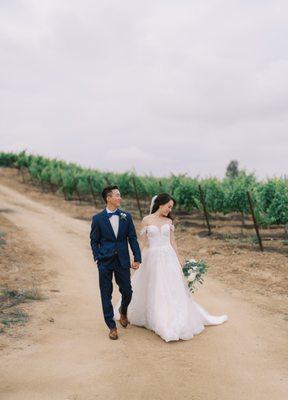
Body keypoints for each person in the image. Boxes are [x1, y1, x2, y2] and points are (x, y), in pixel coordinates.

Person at [114, 193, 228, 342]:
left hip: (168, 257)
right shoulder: (146, 220)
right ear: (160, 204)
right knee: (154, 287)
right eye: (169, 206)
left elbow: (173, 242)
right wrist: (136, 258)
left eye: (171, 207)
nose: (169, 209)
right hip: (153, 258)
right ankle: (155, 317)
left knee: (172, 288)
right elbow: (142, 242)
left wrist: (180, 260)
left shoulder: (169, 221)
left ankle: (170, 318)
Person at [90, 185, 142, 340]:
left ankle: (123, 310)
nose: (120, 198)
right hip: (105, 261)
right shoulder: (98, 219)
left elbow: (132, 238)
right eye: (117, 195)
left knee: (127, 291)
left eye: (120, 195)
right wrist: (97, 257)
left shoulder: (126, 216)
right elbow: (94, 240)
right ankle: (111, 326)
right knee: (105, 293)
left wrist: (137, 257)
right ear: (109, 198)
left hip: (122, 260)